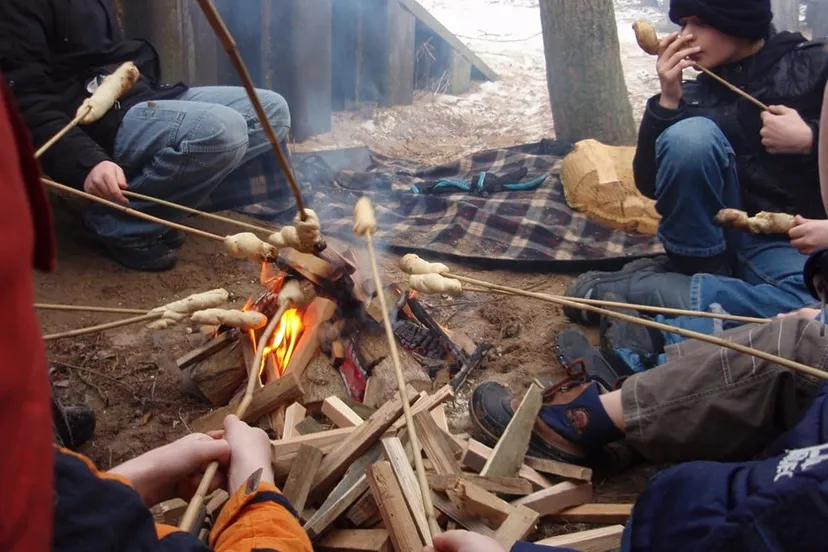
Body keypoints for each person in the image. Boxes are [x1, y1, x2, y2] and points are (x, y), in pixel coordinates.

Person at [563, 0, 828, 363]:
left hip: (792, 243)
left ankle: (647, 295)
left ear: (737, 20)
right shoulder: (696, 91)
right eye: (683, 23)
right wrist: (668, 101)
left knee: (816, 307)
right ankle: (693, 293)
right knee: (690, 137)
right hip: (705, 248)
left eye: (700, 23)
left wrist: (812, 140)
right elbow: (649, 186)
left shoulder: (814, 66)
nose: (686, 36)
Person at [470, 315, 828, 551]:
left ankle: (577, 424)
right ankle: (637, 410)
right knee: (802, 335)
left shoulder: (791, 512)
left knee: (796, 347)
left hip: (670, 523)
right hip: (694, 506)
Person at [0, 0, 297, 272]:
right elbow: (26, 101)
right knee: (224, 130)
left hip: (135, 96)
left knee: (272, 111)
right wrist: (87, 162)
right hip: (94, 124)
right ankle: (117, 224)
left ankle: (166, 203)